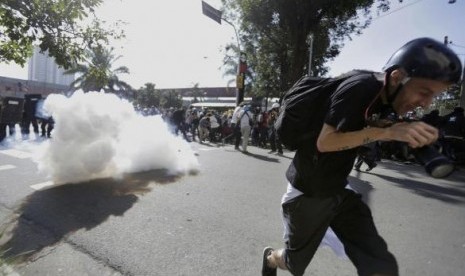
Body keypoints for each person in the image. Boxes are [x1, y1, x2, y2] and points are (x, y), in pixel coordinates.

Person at [262, 37, 462, 276]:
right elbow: (326, 142)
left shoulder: (387, 100)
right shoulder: (361, 88)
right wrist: (387, 131)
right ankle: (271, 258)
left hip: (339, 190)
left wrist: (409, 136)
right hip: (308, 192)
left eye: (434, 97)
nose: (426, 103)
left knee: (379, 263)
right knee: (295, 264)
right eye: (424, 92)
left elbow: (367, 130)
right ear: (397, 77)